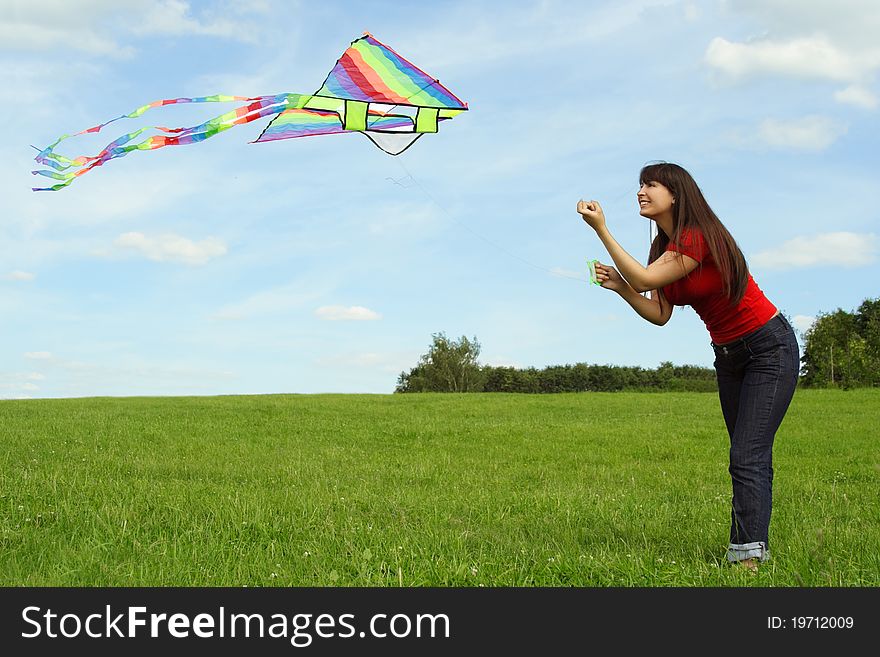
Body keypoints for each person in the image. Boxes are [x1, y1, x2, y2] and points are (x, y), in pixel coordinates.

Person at [576, 161, 799, 572]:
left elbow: (644, 279)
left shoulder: (697, 236)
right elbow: (660, 312)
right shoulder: (662, 250)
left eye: (651, 184)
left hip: (768, 347)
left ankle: (746, 558)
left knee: (746, 455)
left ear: (675, 193)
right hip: (728, 356)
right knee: (749, 455)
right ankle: (753, 546)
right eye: (640, 185)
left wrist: (601, 229)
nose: (641, 191)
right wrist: (620, 288)